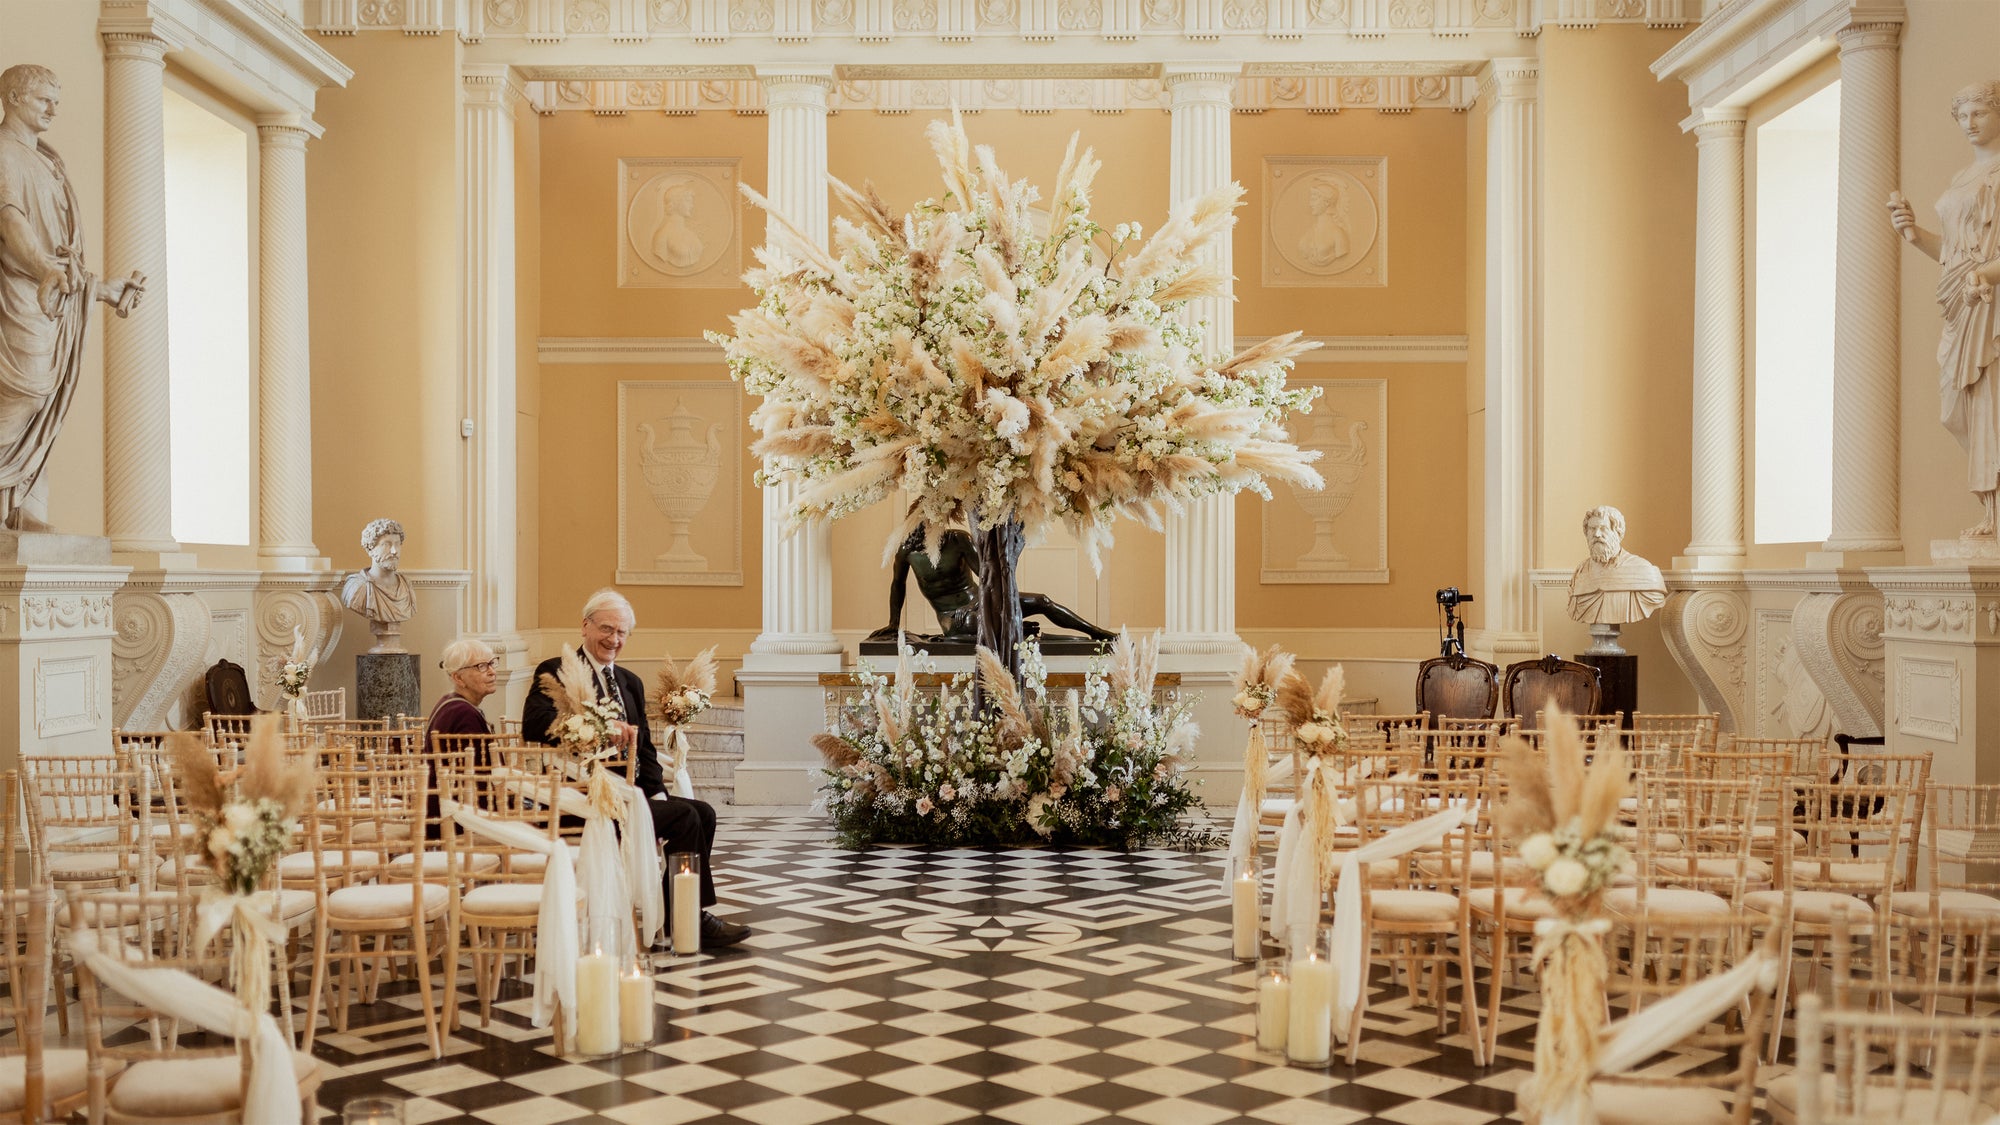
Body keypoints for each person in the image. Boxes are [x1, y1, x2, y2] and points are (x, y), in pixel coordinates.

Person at [523, 588, 750, 949]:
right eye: (607, 629)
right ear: (585, 627)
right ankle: (688, 918)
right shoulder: (556, 670)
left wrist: (657, 789)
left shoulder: (630, 681)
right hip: (582, 800)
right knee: (685, 819)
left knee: (702, 813)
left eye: (622, 632)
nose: (614, 639)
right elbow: (534, 724)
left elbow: (644, 749)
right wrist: (597, 726)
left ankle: (679, 909)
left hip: (630, 795)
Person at [0, 64, 143, 532]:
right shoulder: (2, 153)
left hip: (53, 301)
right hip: (20, 296)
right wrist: (44, 270)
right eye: (45, 99)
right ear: (15, 98)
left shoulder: (48, 161)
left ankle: (26, 510)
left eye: (57, 100)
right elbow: (11, 222)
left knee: (46, 403)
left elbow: (62, 247)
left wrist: (100, 289)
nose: (54, 109)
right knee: (24, 391)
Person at [1890, 80, 2000, 538]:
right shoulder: (1961, 179)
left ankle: (1996, 520)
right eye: (1962, 116)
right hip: (1960, 302)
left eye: (1979, 113)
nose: (1970, 124)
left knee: (1992, 402)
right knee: (1958, 408)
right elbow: (1954, 254)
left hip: (1990, 303)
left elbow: (1983, 261)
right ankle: (1992, 514)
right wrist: (1914, 235)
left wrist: (1987, 276)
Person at [867, 524, 1116, 643]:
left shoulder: (958, 540)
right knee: (991, 626)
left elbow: (988, 577)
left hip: (982, 601)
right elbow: (897, 585)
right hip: (953, 618)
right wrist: (893, 623)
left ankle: (1097, 633)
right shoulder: (907, 552)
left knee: (1041, 600)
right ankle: (1017, 629)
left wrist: (1003, 598)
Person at [421, 639, 497, 837]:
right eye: (481, 666)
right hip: (457, 820)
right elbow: (479, 776)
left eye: (491, 663)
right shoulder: (462, 713)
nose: (491, 671)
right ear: (458, 678)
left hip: (443, 808)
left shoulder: (451, 703)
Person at [1565, 505, 1666, 626]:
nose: (1597, 534)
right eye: (1592, 529)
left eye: (1603, 528)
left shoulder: (1642, 570)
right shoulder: (1580, 571)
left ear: (1618, 532)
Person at [340, 518, 416, 652]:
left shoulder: (406, 586)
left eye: (397, 544)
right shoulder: (357, 588)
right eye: (386, 544)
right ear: (370, 548)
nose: (394, 551)